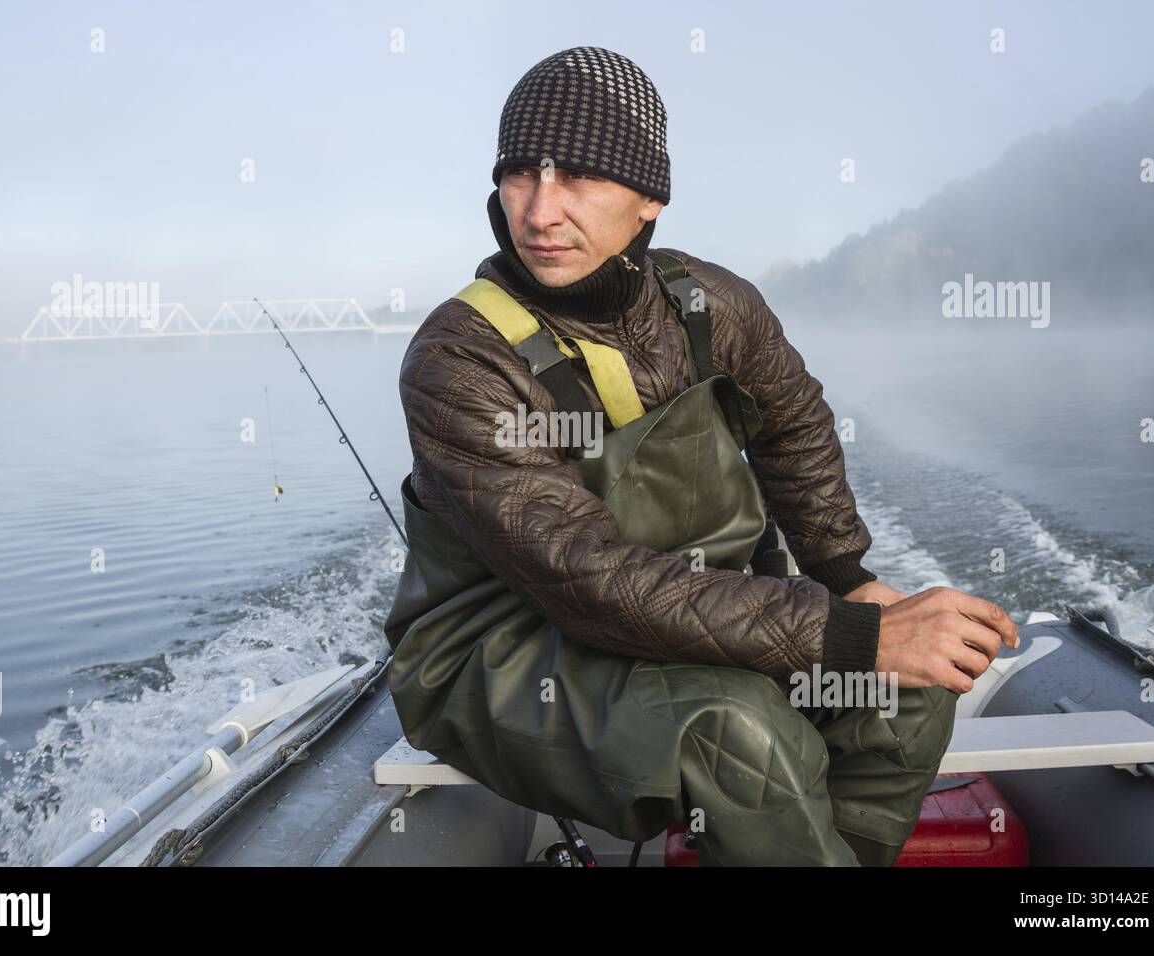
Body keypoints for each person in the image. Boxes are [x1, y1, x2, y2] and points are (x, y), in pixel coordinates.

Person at [384, 45, 1019, 865]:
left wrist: (843, 574)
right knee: (736, 734)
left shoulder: (711, 303)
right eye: (520, 175)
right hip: (505, 650)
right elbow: (587, 581)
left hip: (699, 610)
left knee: (909, 697)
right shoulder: (459, 359)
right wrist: (857, 636)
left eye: (577, 177)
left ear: (649, 199)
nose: (538, 212)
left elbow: (794, 423)